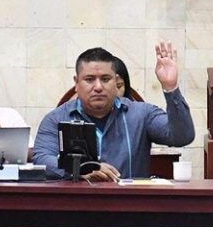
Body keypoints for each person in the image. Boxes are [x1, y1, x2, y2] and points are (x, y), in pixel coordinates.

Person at [33, 43, 194, 182]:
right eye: (89, 79)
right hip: (76, 209)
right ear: (76, 83)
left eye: (105, 79)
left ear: (116, 81)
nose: (98, 87)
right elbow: (42, 160)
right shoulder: (56, 118)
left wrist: (171, 88)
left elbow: (182, 136)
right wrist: (81, 169)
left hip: (130, 209)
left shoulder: (142, 114)